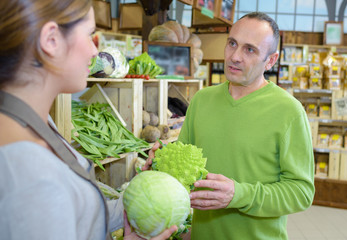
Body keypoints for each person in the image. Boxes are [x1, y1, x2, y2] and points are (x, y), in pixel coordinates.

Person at [0, 0, 175, 239]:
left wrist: (141, 190)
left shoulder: (34, 122)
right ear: (51, 40)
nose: (95, 52)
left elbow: (76, 215)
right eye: (89, 34)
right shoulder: (28, 172)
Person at [177, 12, 315, 239]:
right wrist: (161, 161)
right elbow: (183, 166)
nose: (235, 56)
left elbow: (301, 192)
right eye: (232, 43)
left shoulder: (289, 112)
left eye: (250, 49)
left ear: (271, 60)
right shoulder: (202, 100)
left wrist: (238, 194)